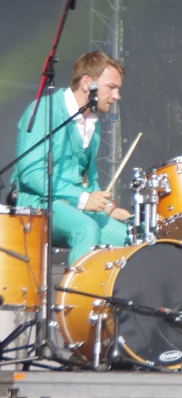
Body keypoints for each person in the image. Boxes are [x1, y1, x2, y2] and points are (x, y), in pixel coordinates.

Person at [12, 51, 132, 265]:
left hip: (73, 203)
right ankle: (73, 298)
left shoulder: (94, 124)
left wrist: (108, 208)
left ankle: (109, 296)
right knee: (86, 229)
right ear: (87, 83)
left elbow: (89, 181)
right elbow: (30, 174)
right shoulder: (43, 110)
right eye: (112, 87)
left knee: (129, 239)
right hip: (36, 201)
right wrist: (84, 199)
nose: (117, 96)